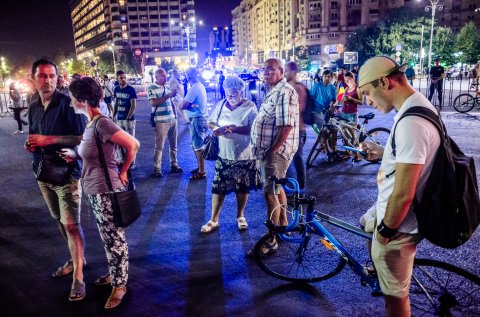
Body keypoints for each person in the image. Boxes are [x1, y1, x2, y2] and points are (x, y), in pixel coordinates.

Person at [358, 56, 440, 317]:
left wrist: (385, 231)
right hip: (393, 211)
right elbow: (411, 157)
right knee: (364, 223)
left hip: (399, 224)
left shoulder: (411, 124)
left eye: (368, 93)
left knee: (395, 299)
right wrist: (384, 152)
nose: (368, 101)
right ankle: (380, 268)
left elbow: (404, 192)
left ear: (385, 81)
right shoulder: (416, 106)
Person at [60, 77, 139, 309]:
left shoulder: (102, 124)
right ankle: (116, 273)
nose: (70, 102)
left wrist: (124, 172)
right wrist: (76, 155)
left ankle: (120, 285)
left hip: (107, 190)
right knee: (108, 237)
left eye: (73, 98)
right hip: (95, 189)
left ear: (82, 100)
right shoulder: (90, 124)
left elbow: (133, 144)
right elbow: (94, 151)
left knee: (115, 239)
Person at [25, 58, 87, 301]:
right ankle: (76, 259)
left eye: (52, 75)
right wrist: (31, 143)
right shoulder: (33, 106)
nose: (48, 80)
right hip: (43, 172)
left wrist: (49, 141)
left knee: (72, 224)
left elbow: (83, 137)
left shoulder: (67, 104)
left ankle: (79, 277)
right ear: (33, 79)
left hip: (67, 174)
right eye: (42, 76)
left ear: (58, 78)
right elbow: (35, 135)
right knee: (60, 221)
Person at [200, 75, 260, 233]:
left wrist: (234, 129)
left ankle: (240, 216)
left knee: (242, 187)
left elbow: (254, 129)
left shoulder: (250, 106)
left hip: (245, 155)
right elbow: (211, 121)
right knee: (218, 188)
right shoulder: (221, 104)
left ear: (241, 92)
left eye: (233, 95)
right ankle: (214, 219)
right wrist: (216, 129)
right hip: (224, 154)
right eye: (227, 94)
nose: (230, 98)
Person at [250, 57, 299, 253]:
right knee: (277, 189)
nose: (266, 72)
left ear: (281, 71)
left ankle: (272, 239)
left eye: (270, 69)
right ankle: (283, 225)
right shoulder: (274, 91)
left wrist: (272, 150)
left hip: (276, 152)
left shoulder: (284, 91)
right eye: (264, 69)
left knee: (270, 194)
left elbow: (286, 125)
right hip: (271, 150)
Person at [147, 68, 183, 177]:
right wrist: (168, 95)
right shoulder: (151, 88)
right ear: (156, 77)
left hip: (172, 119)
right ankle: (157, 169)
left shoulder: (167, 87)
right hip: (161, 121)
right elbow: (153, 102)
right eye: (162, 75)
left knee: (173, 145)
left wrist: (175, 115)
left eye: (165, 75)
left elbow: (171, 102)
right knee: (159, 146)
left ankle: (174, 164)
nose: (165, 77)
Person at [310, 69, 347, 162]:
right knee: (324, 132)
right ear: (322, 77)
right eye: (325, 76)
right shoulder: (316, 86)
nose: (327, 78)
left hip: (328, 112)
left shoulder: (331, 87)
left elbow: (335, 100)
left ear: (331, 78)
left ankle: (334, 151)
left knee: (334, 130)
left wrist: (333, 106)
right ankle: (328, 153)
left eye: (329, 76)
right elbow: (310, 98)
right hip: (317, 112)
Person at [180, 67, 209, 180]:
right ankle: (200, 167)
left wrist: (186, 105)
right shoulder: (199, 86)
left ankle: (202, 171)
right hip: (200, 118)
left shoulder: (195, 88)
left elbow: (182, 105)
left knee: (198, 146)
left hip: (197, 119)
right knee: (196, 145)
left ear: (188, 76)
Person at [284, 62, 307, 193]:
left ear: (293, 72)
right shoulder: (288, 87)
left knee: (297, 158)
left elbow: (297, 109)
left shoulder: (297, 88)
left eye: (286, 71)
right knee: (287, 157)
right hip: (290, 129)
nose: (284, 73)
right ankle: (288, 186)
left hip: (297, 129)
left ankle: (301, 188)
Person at [113, 70, 137, 138]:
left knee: (131, 142)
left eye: (124, 77)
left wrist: (128, 118)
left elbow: (133, 105)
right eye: (121, 78)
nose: (123, 79)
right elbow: (116, 103)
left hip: (129, 120)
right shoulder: (116, 89)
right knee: (121, 141)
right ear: (117, 79)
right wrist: (113, 116)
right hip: (119, 119)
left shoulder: (131, 89)